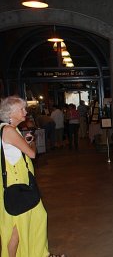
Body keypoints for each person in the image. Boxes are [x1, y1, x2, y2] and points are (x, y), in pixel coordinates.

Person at [0, 96, 64, 257]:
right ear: (11, 113)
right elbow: (32, 154)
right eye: (21, 109)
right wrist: (31, 142)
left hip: (19, 182)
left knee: (34, 219)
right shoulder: (8, 130)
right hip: (17, 184)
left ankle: (39, 253)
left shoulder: (8, 129)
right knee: (17, 226)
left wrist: (25, 141)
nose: (25, 112)